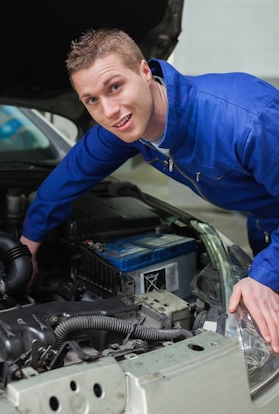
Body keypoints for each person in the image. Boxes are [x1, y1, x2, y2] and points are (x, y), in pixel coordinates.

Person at [20, 27, 279, 352]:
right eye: (92, 100)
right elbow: (68, 178)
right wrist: (28, 244)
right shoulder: (126, 127)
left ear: (145, 71)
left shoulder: (246, 121)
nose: (109, 111)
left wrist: (267, 275)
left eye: (115, 86)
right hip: (265, 220)